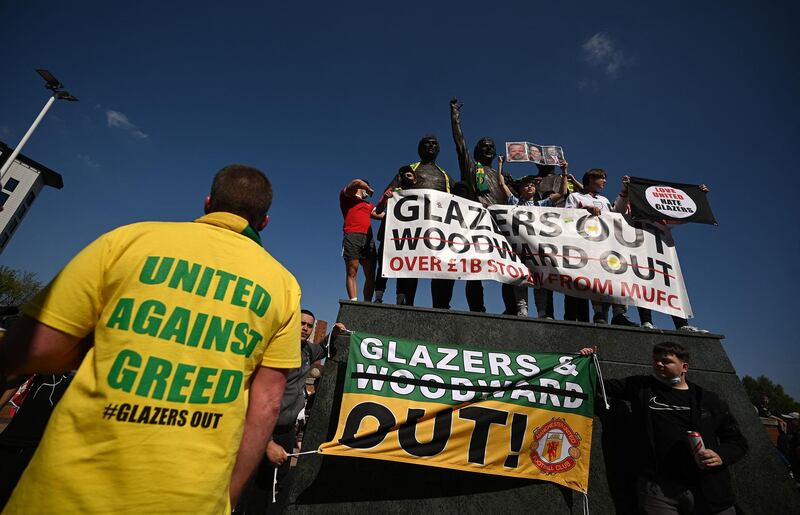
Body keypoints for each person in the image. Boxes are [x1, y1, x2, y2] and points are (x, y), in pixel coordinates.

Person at [0, 164, 302, 513]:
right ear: (263, 221)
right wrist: (229, 498)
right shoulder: (283, 285)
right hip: (191, 497)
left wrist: (87, 348)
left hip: (68, 490)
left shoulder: (128, 240)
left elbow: (30, 348)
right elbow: (267, 405)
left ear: (208, 204)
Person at [580, 343, 748, 514]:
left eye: (666, 361)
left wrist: (720, 455)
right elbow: (600, 385)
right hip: (659, 491)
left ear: (684, 367)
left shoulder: (709, 400)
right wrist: (587, 362)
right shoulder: (641, 387)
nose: (659, 364)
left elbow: (737, 441)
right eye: (656, 360)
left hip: (709, 491)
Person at [236, 310, 346, 513]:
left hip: (286, 430)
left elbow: (323, 349)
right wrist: (267, 442)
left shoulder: (307, 351)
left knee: (276, 483)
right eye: (301, 323)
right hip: (263, 430)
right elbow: (257, 396)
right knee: (251, 485)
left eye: (309, 325)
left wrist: (335, 333)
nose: (305, 328)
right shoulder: (275, 350)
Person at [450, 98, 516, 314]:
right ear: (476, 152)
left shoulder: (503, 177)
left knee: (509, 269)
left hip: (502, 225)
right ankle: (477, 309)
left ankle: (512, 309)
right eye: (483, 146)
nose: (488, 149)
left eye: (491, 147)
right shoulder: (471, 168)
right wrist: (455, 117)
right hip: (477, 224)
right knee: (475, 269)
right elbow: (460, 145)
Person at [381, 135, 454, 308]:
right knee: (409, 266)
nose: (430, 146)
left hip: (439, 229)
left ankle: (441, 307)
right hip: (412, 229)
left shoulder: (447, 177)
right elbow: (389, 193)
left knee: (443, 266)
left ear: (438, 150)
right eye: (426, 143)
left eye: (434, 144)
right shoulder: (408, 170)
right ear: (419, 149)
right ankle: (404, 304)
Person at [497, 156, 568, 318]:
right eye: (526, 185)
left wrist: (564, 172)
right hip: (520, 248)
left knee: (540, 280)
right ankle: (522, 309)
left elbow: (563, 193)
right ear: (521, 189)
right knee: (521, 278)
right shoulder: (514, 202)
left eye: (532, 185)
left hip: (537, 248)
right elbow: (501, 184)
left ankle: (542, 312)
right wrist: (500, 164)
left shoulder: (541, 204)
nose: (530, 187)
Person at [565, 169, 637, 326]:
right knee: (594, 279)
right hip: (588, 244)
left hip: (609, 244)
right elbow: (566, 217)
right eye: (601, 178)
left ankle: (619, 314)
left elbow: (617, 213)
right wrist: (585, 210)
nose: (604, 181)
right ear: (591, 178)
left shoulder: (604, 200)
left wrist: (625, 191)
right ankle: (598, 313)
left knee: (616, 278)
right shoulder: (575, 197)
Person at [375, 167, 418, 305]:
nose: (407, 177)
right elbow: (379, 209)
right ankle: (378, 298)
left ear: (415, 179)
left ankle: (400, 300)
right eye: (404, 175)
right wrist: (385, 199)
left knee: (403, 267)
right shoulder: (392, 192)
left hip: (408, 237)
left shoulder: (420, 195)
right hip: (389, 235)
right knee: (383, 266)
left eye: (410, 175)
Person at [340, 178, 383, 302]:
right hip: (352, 235)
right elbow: (357, 182)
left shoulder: (369, 205)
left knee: (370, 274)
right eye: (366, 189)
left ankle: (366, 304)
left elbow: (381, 215)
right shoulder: (347, 197)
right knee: (352, 269)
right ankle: (353, 302)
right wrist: (367, 188)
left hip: (368, 239)